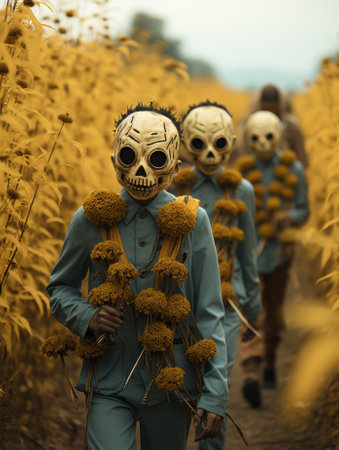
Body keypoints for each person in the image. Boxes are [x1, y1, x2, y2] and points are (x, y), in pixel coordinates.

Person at [46, 104, 228, 450]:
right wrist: (88, 316)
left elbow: (209, 311)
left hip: (172, 382)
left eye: (156, 159)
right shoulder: (89, 219)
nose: (141, 170)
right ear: (114, 160)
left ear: (175, 166)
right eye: (129, 155)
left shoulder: (194, 222)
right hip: (109, 379)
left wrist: (216, 394)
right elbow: (59, 288)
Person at [172, 101, 262, 449]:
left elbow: (246, 251)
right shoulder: (176, 188)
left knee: (217, 379)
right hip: (181, 299)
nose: (210, 153)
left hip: (226, 304)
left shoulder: (242, 191)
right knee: (183, 381)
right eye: (199, 144)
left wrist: (252, 303)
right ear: (184, 144)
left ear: (232, 142)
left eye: (219, 144)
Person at [236, 110, 309, 389]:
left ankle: (269, 358)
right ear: (248, 140)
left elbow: (303, 209)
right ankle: (252, 369)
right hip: (249, 253)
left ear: (278, 138)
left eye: (268, 137)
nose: (263, 144)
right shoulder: (242, 173)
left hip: (280, 253)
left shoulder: (293, 170)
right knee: (251, 308)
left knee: (275, 312)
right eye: (256, 138)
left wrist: (289, 217)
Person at [238, 83, 308, 167]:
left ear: (279, 106)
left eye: (272, 109)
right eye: (266, 109)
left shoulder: (290, 126)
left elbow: (301, 155)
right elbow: (244, 153)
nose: (269, 113)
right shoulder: (249, 125)